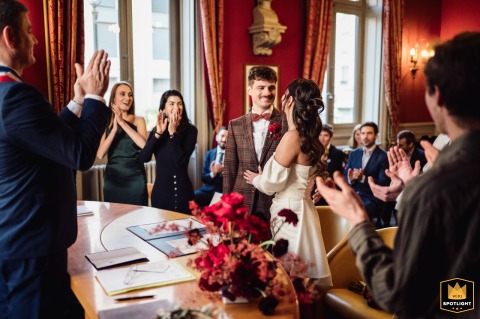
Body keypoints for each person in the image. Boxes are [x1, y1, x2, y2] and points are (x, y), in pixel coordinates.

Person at [317, 32, 480, 318]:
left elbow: (399, 295)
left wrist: (357, 222)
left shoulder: (437, 188)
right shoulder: (438, 183)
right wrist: (418, 185)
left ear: (437, 96)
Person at [0, 1, 111, 317]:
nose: (35, 39)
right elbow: (78, 154)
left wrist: (77, 100)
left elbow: (49, 141)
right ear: (10, 37)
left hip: (17, 242)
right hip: (29, 249)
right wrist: (95, 96)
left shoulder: (8, 92)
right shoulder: (16, 96)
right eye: (30, 31)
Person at [244, 78, 331, 285]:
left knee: (292, 275)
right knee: (303, 276)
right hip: (305, 209)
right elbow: (309, 173)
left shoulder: (292, 137)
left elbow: (270, 184)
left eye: (284, 94)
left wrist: (257, 179)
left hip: (290, 212)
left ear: (290, 101)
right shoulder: (310, 136)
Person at [223, 66, 287, 222]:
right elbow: (230, 169)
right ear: (249, 90)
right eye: (261, 87)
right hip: (241, 201)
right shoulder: (235, 125)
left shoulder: (287, 122)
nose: (267, 92)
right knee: (241, 246)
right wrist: (226, 206)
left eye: (271, 88)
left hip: (274, 201)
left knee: (271, 246)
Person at [139, 89, 197, 215]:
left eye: (179, 103)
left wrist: (172, 134)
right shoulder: (157, 130)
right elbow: (143, 158)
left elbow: (181, 162)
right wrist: (158, 133)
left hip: (183, 194)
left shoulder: (191, 131)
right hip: (161, 193)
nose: (176, 107)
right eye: (171, 103)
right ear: (163, 109)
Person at [96, 82, 148, 205]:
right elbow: (100, 154)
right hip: (113, 179)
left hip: (135, 177)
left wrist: (122, 123)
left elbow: (144, 146)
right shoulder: (106, 121)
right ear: (114, 98)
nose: (128, 98)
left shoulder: (139, 120)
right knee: (114, 218)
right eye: (122, 94)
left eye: (130, 95)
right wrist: (114, 129)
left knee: (138, 216)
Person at [343, 122, 390, 227]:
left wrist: (363, 178)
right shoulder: (354, 153)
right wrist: (351, 179)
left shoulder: (384, 156)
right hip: (353, 194)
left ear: (376, 135)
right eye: (362, 133)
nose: (365, 137)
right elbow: (345, 175)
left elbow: (384, 183)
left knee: (358, 212)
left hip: (372, 198)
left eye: (369, 133)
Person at [194, 127, 228, 207]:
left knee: (218, 206)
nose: (224, 139)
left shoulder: (233, 155)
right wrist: (213, 173)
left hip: (225, 191)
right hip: (209, 189)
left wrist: (225, 171)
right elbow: (203, 178)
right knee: (192, 197)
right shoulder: (209, 154)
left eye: (228, 137)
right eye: (222, 136)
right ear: (217, 137)